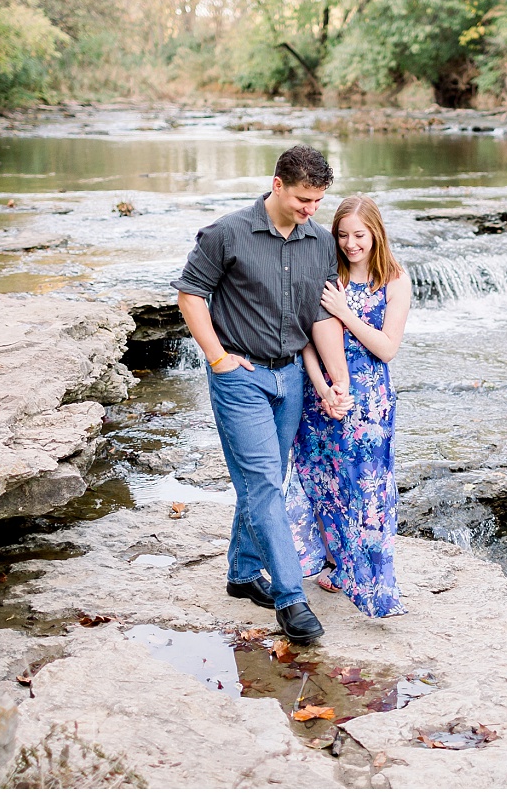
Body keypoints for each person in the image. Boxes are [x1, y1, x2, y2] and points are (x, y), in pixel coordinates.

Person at [173, 145, 353, 645]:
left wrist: (337, 381)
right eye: (302, 199)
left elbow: (320, 317)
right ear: (277, 185)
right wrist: (217, 358)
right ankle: (291, 599)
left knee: (268, 479)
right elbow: (191, 293)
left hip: (291, 376)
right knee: (264, 484)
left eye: (317, 201)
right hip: (240, 378)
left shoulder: (319, 243)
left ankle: (242, 572)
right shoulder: (227, 233)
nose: (310, 210)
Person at [285, 194, 411, 618]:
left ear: (376, 233)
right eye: (342, 235)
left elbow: (387, 348)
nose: (351, 244)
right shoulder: (328, 274)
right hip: (321, 395)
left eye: (359, 235)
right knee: (319, 477)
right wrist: (321, 387)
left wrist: (345, 312)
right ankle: (334, 564)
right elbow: (304, 341)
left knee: (363, 483)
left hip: (369, 400)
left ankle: (370, 577)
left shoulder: (394, 280)